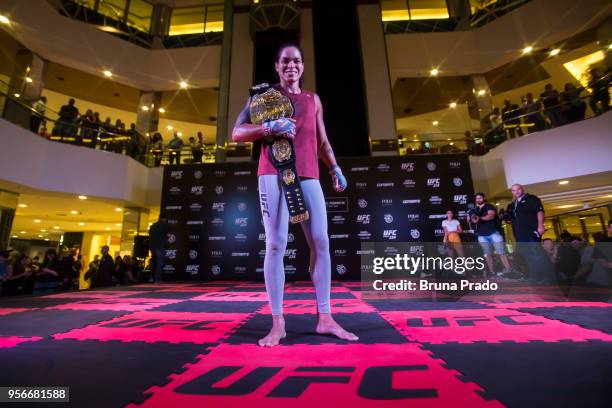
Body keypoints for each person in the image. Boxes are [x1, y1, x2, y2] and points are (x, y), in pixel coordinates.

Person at [232, 43, 358, 347]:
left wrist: (335, 169)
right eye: (286, 61)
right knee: (275, 245)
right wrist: (267, 128)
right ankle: (278, 323)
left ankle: (325, 318)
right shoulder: (263, 95)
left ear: (302, 66)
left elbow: (322, 141)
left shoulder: (313, 99)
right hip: (272, 173)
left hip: (308, 175)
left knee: (321, 242)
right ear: (277, 66)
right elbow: (236, 133)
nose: (292, 66)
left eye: (297, 61)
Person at [506, 184, 553, 284]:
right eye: (514, 190)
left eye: (518, 189)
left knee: (538, 254)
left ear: (522, 189)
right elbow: (513, 218)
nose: (516, 192)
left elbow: (539, 212)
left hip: (532, 231)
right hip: (519, 234)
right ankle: (535, 277)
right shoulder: (513, 204)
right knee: (527, 255)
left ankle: (547, 277)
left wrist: (540, 225)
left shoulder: (532, 198)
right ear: (512, 192)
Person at [472, 193, 512, 277]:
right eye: (477, 198)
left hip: (493, 233)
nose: (478, 199)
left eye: (480, 198)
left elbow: (491, 216)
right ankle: (491, 272)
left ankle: (509, 270)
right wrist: (471, 217)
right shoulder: (475, 209)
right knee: (487, 254)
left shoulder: (489, 206)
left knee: (501, 253)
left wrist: (480, 218)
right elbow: (471, 220)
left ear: (484, 198)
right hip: (482, 235)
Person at [149, 215, 170, 283]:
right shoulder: (164, 225)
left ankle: (151, 278)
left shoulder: (153, 225)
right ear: (164, 219)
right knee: (159, 262)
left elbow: (150, 233)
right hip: (160, 246)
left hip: (152, 246)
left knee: (154, 262)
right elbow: (168, 235)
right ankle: (157, 279)